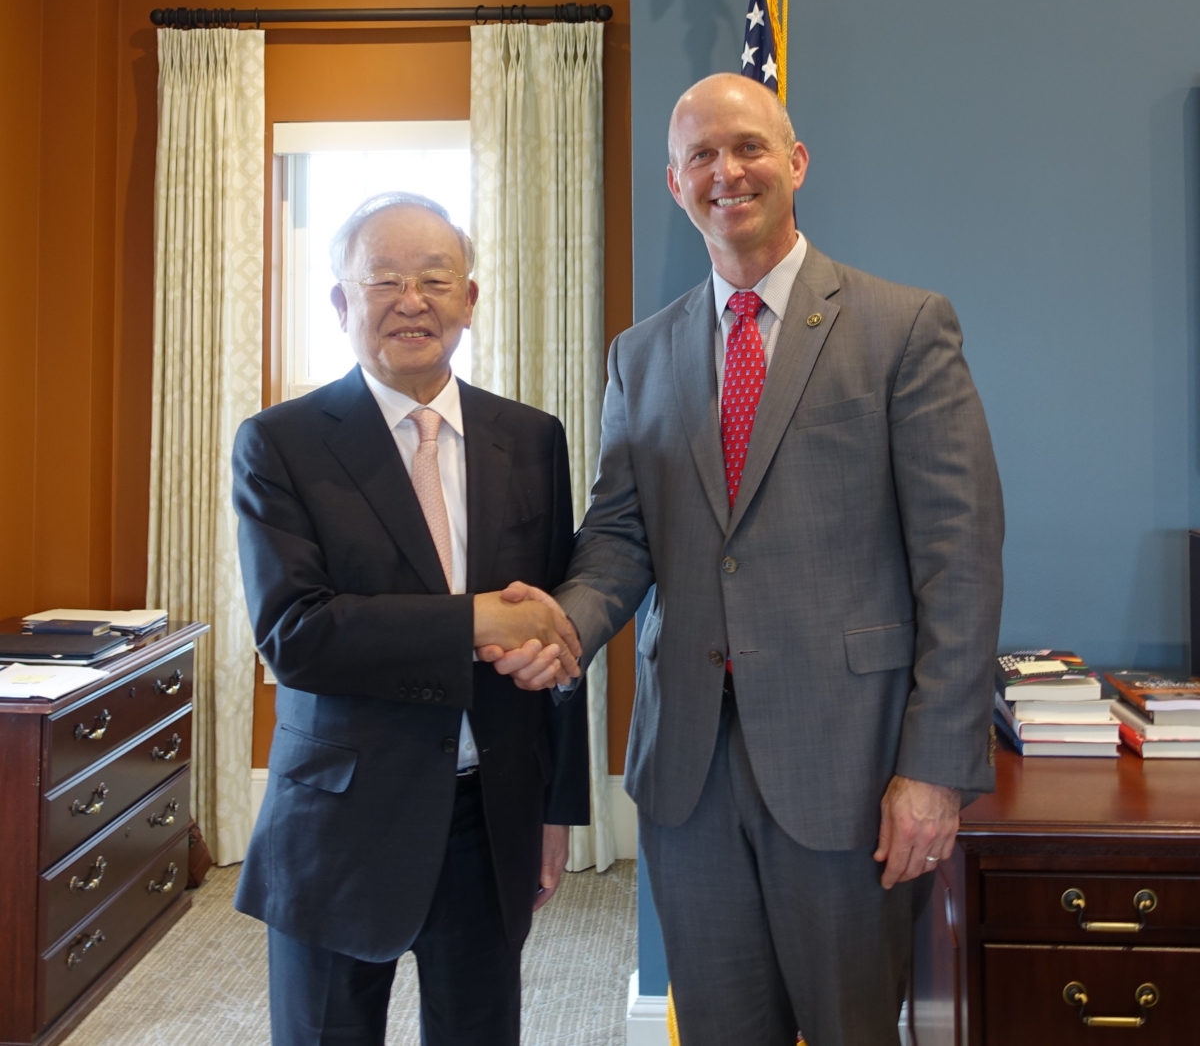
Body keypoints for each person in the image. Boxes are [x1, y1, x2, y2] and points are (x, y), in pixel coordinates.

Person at [511, 74, 1004, 1044]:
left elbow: (962, 557)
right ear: (673, 182)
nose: (725, 171)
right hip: (688, 774)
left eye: (747, 146)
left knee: (852, 1027)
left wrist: (936, 769)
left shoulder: (902, 328)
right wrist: (562, 623)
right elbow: (621, 533)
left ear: (795, 162)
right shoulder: (640, 355)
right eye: (701, 155)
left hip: (851, 767)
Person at [232, 191, 588, 1046]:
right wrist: (472, 623)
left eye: (434, 279)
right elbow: (297, 633)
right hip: (339, 823)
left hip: (488, 813)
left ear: (470, 299)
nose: (411, 300)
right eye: (384, 280)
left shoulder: (532, 439)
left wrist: (557, 807)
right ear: (342, 302)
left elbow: (553, 631)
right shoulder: (281, 442)